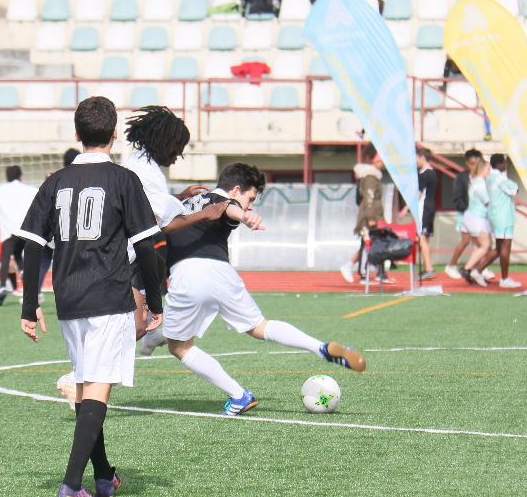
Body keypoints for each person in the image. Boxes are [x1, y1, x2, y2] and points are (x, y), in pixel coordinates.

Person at [16, 96, 165, 497]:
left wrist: (30, 307)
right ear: (115, 134)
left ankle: (102, 475)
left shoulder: (55, 181)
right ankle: (71, 485)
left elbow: (30, 245)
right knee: (97, 389)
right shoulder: (123, 180)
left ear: (77, 134)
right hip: (108, 295)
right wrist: (155, 301)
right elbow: (147, 245)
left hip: (69, 298)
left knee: (87, 387)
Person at [164, 163, 366, 417]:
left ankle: (239, 395)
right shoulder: (222, 201)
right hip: (222, 273)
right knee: (260, 326)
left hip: (187, 273)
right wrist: (244, 216)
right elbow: (230, 207)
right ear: (236, 189)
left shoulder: (187, 201)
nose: (250, 207)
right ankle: (320, 347)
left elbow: (230, 208)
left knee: (179, 346)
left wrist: (242, 214)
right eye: (250, 199)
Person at [121, 105, 219, 341]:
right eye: (178, 148)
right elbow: (161, 223)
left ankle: (91, 375)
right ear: (164, 142)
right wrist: (205, 214)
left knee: (133, 328)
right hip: (129, 257)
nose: (178, 155)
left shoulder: (140, 163)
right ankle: (85, 375)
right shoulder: (146, 170)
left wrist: (179, 197)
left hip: (132, 255)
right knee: (133, 329)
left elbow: (147, 206)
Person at [0, 165, 38, 306]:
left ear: (7, 177)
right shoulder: (30, 189)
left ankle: (3, 287)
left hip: (8, 230)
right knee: (18, 256)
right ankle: (25, 282)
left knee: (5, 259)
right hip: (25, 229)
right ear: (20, 176)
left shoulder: (0, 189)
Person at [341, 144, 386, 284]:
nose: (383, 163)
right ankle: (362, 273)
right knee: (367, 243)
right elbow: (369, 198)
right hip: (370, 215)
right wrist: (371, 217)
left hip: (372, 213)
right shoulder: (370, 177)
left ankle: (376, 271)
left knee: (370, 243)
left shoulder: (371, 176)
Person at [481, 154, 521, 288]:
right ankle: (504, 278)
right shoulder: (499, 178)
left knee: (498, 248)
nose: (505, 165)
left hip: (495, 215)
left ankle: (477, 270)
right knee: (505, 246)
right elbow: (514, 189)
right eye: (504, 163)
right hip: (504, 216)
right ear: (498, 164)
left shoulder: (489, 177)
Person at [398, 147, 438, 280]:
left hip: (424, 208)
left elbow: (418, 195)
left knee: (422, 238)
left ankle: (429, 268)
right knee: (426, 238)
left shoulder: (424, 174)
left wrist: (405, 209)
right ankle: (428, 266)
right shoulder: (433, 173)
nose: (415, 161)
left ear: (422, 157)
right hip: (431, 207)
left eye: (416, 158)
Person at [444, 149, 483, 279]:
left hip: (479, 215)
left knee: (479, 243)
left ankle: (479, 268)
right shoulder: (461, 177)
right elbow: (457, 197)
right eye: (472, 164)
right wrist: (465, 209)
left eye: (477, 164)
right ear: (467, 163)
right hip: (466, 213)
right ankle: (451, 265)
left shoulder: (483, 177)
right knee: (466, 240)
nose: (474, 167)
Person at [459, 159, 492, 287]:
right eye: (488, 169)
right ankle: (467, 269)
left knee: (479, 248)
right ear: (483, 169)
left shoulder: (475, 182)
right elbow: (487, 201)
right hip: (477, 218)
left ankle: (475, 272)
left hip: (473, 217)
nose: (489, 172)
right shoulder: (480, 184)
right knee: (485, 246)